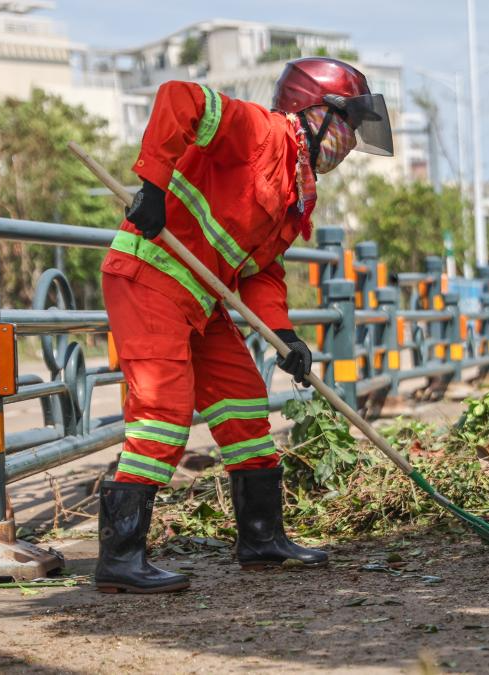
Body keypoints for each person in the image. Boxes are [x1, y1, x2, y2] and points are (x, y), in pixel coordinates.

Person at [95, 58, 393, 594]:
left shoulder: (296, 187)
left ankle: (261, 539)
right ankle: (120, 556)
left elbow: (261, 270)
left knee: (243, 403)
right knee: (163, 410)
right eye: (346, 126)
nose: (348, 144)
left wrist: (286, 337)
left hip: (200, 298)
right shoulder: (258, 131)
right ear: (313, 111)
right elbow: (177, 97)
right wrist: (154, 187)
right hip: (149, 276)